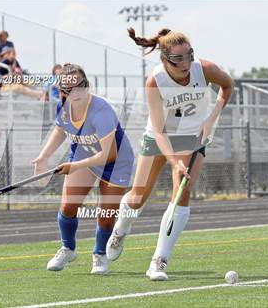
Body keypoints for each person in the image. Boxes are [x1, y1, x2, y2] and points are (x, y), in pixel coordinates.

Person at [105, 28, 234, 281]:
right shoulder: (155, 81)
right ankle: (121, 228)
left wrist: (211, 117)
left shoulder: (204, 68)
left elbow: (228, 85)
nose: (185, 64)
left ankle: (158, 260)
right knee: (137, 197)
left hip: (192, 139)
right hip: (158, 137)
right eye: (178, 59)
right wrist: (174, 162)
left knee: (182, 194)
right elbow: (160, 130)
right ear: (164, 59)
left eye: (189, 56)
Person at [32, 63, 134, 274]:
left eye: (81, 85)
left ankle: (99, 254)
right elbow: (61, 130)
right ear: (62, 91)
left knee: (105, 214)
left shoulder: (101, 110)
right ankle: (68, 248)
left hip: (115, 162)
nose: (76, 92)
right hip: (84, 153)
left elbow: (109, 154)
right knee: (68, 206)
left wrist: (74, 166)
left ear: (87, 84)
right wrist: (44, 157)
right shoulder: (64, 106)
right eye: (69, 89)